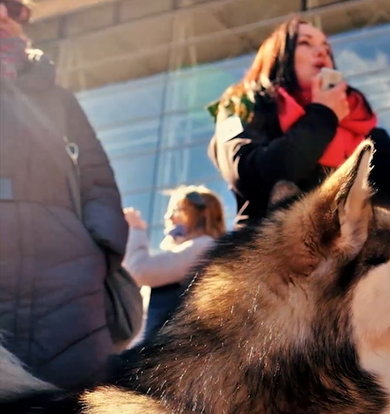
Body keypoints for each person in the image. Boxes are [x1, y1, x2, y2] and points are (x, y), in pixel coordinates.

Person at [0, 0, 128, 390]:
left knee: (80, 399)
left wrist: (99, 249)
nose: (5, 16)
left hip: (71, 283)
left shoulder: (58, 99)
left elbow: (96, 178)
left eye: (13, 11)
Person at [208, 17, 390, 228]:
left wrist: (355, 124)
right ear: (278, 56)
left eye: (327, 48)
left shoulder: (347, 119)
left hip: (337, 255)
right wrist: (323, 114)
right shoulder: (239, 103)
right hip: (269, 254)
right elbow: (250, 175)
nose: (322, 51)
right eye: (305, 43)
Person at [122, 186, 226, 342]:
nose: (168, 217)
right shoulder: (197, 247)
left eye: (177, 210)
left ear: (200, 214)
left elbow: (139, 270)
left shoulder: (203, 246)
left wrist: (135, 228)